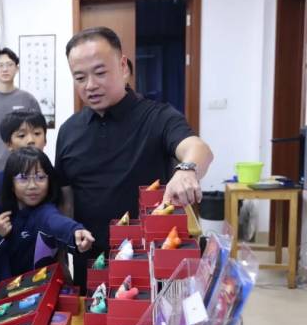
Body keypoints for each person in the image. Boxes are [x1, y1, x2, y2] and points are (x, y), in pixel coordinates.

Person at [55, 26, 213, 291]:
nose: (90, 85)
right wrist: (62, 261)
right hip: (91, 263)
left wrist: (186, 170)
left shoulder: (158, 117)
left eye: (100, 72)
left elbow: (198, 148)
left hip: (148, 264)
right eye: (80, 77)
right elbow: (65, 201)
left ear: (123, 67)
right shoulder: (69, 131)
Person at [0, 147, 94, 291]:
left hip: (34, 296)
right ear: (11, 183)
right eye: (23, 178)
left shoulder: (44, 212)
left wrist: (75, 231)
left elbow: (55, 222)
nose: (32, 186)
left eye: (40, 177)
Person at [0, 48, 41, 179]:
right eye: (0, 65)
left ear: (17, 68)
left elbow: (38, 133)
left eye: (10, 65)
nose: (5, 69)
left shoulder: (28, 99)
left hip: (23, 167)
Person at [0, 110, 48, 203]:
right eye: (22, 135)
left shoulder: (53, 175)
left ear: (45, 140)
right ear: (8, 144)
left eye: (37, 133)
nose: (31, 140)